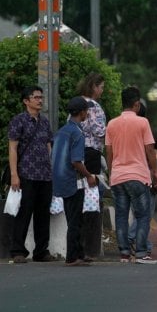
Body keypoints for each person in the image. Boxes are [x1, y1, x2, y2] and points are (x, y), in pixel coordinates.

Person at [105, 87, 157, 264]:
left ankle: (124, 253)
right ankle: (142, 252)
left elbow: (109, 152)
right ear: (136, 104)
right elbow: (150, 149)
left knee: (121, 216)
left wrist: (111, 173)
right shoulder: (143, 123)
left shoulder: (112, 124)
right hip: (137, 176)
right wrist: (155, 171)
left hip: (118, 177)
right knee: (143, 215)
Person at [7, 86, 57, 263]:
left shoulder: (44, 122)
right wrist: (14, 174)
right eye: (36, 97)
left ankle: (41, 251)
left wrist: (51, 167)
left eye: (41, 97)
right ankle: (17, 251)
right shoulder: (18, 120)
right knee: (24, 212)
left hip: (45, 175)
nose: (40, 100)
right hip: (26, 173)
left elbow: (49, 145)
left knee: (43, 214)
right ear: (26, 101)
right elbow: (12, 148)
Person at [52, 97, 97, 266]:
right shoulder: (77, 133)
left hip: (60, 179)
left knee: (73, 218)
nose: (88, 113)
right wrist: (89, 176)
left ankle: (79, 252)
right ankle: (72, 257)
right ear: (82, 112)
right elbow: (76, 161)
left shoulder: (62, 131)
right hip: (73, 181)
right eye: (87, 110)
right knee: (75, 221)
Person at [127, 99, 157, 258]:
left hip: (127, 173)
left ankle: (144, 244)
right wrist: (155, 171)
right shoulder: (148, 128)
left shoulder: (122, 126)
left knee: (137, 211)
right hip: (144, 173)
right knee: (146, 213)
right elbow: (153, 149)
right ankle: (131, 237)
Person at [77, 72, 106, 261]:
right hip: (92, 154)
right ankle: (90, 248)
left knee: (78, 199)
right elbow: (98, 130)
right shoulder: (93, 105)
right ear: (94, 86)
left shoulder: (77, 102)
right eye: (101, 87)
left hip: (77, 154)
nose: (102, 91)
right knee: (92, 199)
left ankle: (78, 246)